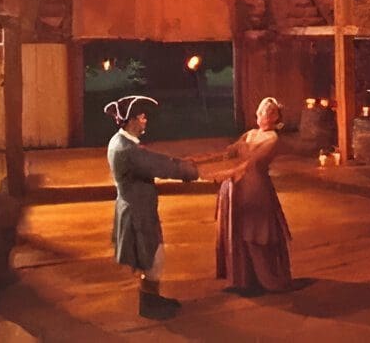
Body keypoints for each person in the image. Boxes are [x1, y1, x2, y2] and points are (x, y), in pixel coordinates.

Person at [104, 95, 199, 319]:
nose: (145, 120)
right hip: (138, 213)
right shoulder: (128, 150)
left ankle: (153, 300)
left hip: (136, 209)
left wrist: (183, 162)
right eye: (141, 116)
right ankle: (149, 305)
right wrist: (190, 171)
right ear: (129, 121)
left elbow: (154, 159)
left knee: (150, 257)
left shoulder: (121, 142)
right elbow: (158, 165)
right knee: (152, 258)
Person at [202, 97, 292, 294]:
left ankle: (265, 279)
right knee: (236, 229)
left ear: (274, 117)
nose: (259, 116)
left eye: (264, 113)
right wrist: (202, 161)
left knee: (255, 231)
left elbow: (251, 163)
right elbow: (230, 152)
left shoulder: (272, 139)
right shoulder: (250, 134)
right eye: (259, 112)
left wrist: (223, 174)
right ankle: (242, 279)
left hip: (254, 187)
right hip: (235, 186)